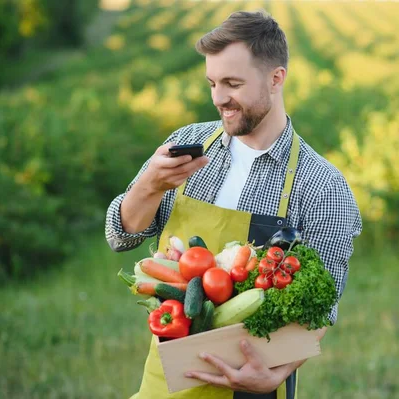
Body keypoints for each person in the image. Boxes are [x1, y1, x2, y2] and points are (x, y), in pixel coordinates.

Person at [105, 9, 362, 399]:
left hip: (251, 387)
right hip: (162, 383)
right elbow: (120, 236)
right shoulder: (187, 147)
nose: (218, 98)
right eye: (212, 82)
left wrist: (277, 374)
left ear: (276, 79)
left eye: (232, 83)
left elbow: (321, 307)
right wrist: (149, 185)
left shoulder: (322, 186)